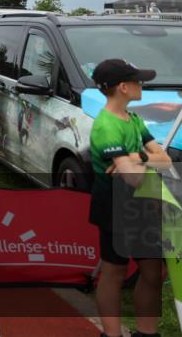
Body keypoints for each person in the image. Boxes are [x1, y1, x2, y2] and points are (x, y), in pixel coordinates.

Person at [88, 58, 171, 337]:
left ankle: (147, 333)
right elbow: (133, 177)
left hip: (142, 205)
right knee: (114, 272)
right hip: (115, 207)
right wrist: (146, 160)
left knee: (154, 272)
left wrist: (138, 156)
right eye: (137, 81)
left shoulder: (133, 119)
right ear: (123, 87)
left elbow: (165, 159)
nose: (142, 85)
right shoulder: (106, 127)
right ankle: (110, 334)